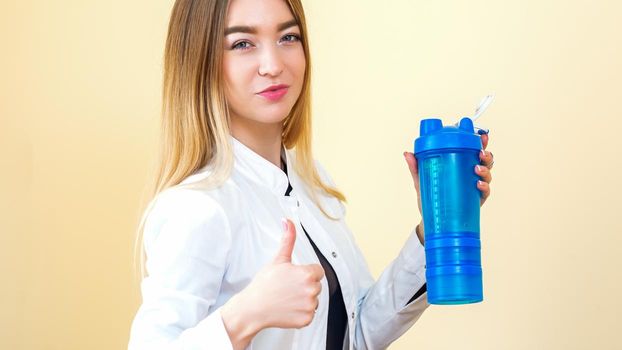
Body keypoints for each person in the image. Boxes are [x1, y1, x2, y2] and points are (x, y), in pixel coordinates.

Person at [128, 0, 496, 349]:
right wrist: (245, 315)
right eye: (242, 43)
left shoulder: (310, 181)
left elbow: (358, 333)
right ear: (200, 62)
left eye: (288, 37)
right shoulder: (198, 206)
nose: (273, 64)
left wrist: (435, 224)